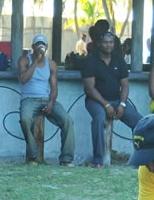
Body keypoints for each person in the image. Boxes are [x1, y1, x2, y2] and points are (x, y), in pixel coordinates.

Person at [81, 31, 143, 168]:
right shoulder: (91, 60)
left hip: (116, 100)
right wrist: (106, 105)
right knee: (99, 119)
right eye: (105, 42)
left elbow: (125, 85)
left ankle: (140, 160)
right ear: (99, 44)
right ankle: (98, 160)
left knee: (140, 123)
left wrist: (122, 104)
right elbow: (90, 88)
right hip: (96, 101)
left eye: (111, 42)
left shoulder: (119, 60)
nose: (108, 45)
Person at [17, 35, 75, 166]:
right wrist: (36, 61)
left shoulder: (52, 64)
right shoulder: (24, 60)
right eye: (37, 44)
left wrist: (51, 102)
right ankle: (33, 156)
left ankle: (66, 159)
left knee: (67, 120)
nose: (40, 47)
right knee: (25, 119)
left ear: (46, 47)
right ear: (33, 47)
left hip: (46, 99)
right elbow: (23, 79)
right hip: (29, 99)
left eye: (43, 45)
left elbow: (54, 88)